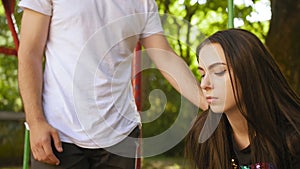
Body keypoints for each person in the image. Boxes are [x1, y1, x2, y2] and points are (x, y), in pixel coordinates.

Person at [17, 0, 207, 168]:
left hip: (120, 137)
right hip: (59, 134)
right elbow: (29, 53)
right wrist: (35, 122)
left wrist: (207, 102)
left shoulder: (144, 3)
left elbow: (166, 57)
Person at [185, 29, 300, 169]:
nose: (204, 84)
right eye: (203, 74)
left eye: (219, 72)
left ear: (249, 71)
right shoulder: (205, 135)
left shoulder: (293, 138)